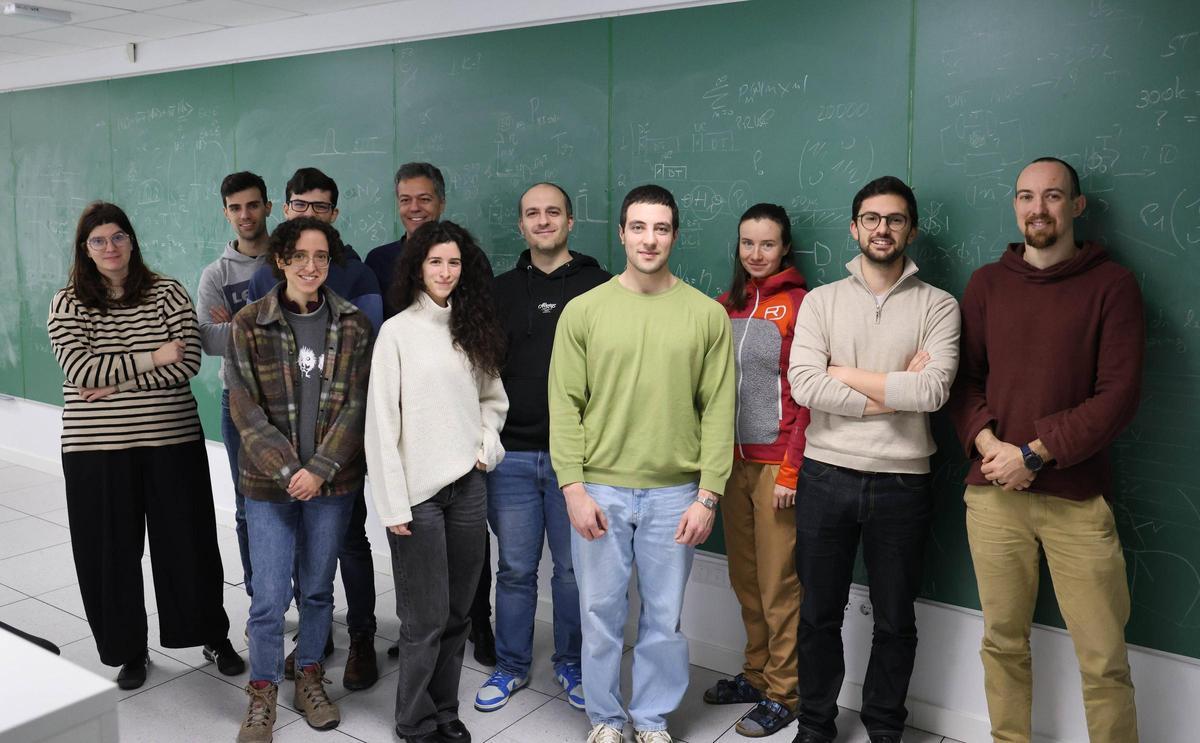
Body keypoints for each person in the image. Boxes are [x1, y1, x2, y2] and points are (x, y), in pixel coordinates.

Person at [948, 157, 1143, 743]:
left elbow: (1118, 396)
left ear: (1076, 207)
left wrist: (1032, 453)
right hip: (994, 497)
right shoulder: (986, 283)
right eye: (1027, 197)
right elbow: (964, 383)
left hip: (1078, 502)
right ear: (1014, 206)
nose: (1039, 208)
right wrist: (991, 447)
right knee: (1002, 643)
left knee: (1103, 658)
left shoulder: (1113, 285)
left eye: (1053, 196)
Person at [549, 184, 735, 743]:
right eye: (638, 227)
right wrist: (573, 488)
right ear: (622, 233)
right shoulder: (584, 311)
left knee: (663, 618)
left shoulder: (706, 315)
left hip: (676, 493)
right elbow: (565, 404)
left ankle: (651, 719)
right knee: (599, 614)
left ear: (674, 235)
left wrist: (709, 495)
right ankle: (605, 718)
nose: (649, 239)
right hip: (600, 489)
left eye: (660, 228)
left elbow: (719, 410)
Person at [787, 176, 960, 743]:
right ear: (854, 227)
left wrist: (847, 375)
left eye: (894, 219)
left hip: (903, 483)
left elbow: (932, 393)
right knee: (817, 613)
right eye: (871, 218)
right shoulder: (821, 301)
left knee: (895, 619)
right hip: (825, 476)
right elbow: (806, 384)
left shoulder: (940, 305)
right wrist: (892, 392)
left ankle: (885, 725)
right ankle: (816, 722)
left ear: (911, 228)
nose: (882, 229)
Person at [47, 201, 243, 691]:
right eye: (98, 240)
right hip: (96, 451)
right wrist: (153, 354)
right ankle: (128, 649)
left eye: (118, 237)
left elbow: (188, 364)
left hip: (171, 440)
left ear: (132, 241)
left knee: (190, 545)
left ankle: (209, 635)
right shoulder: (67, 303)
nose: (110, 247)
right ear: (85, 249)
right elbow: (81, 372)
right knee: (109, 554)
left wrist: (112, 385)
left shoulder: (167, 292)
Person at [226, 217, 372, 742]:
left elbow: (357, 407)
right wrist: (293, 472)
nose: (313, 267)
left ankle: (308, 674)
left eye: (323, 257)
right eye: (301, 256)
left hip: (332, 486)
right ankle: (262, 690)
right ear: (281, 260)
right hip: (269, 485)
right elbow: (244, 409)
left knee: (316, 589)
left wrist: (320, 470)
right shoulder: (248, 323)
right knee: (267, 596)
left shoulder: (353, 324)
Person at [364, 220, 508, 743]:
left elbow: (493, 400)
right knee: (423, 619)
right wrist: (392, 505)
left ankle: (444, 710)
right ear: (417, 268)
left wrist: (485, 447)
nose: (445, 272)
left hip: (468, 487)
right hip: (418, 496)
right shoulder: (397, 332)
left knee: (457, 613)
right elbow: (380, 425)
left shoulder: (473, 328)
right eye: (435, 262)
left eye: (453, 263)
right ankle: (413, 720)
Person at [474, 182, 609, 713]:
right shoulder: (498, 291)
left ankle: (571, 664)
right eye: (533, 213)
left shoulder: (603, 287)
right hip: (511, 457)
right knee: (514, 569)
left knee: (575, 572)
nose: (544, 220)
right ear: (521, 225)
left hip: (577, 459)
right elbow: (480, 373)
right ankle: (511, 666)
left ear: (571, 222)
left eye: (553, 212)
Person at [246, 166, 382, 689]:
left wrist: (321, 464)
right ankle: (309, 647)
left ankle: (359, 639)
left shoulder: (357, 283)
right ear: (286, 212)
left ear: (334, 215)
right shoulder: (260, 288)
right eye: (300, 205)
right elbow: (248, 389)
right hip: (276, 459)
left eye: (320, 207)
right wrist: (283, 465)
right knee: (277, 572)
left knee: (344, 546)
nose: (309, 215)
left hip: (336, 456)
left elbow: (359, 373)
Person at [705, 203, 809, 738]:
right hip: (730, 466)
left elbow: (808, 396)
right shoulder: (727, 305)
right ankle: (755, 673)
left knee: (778, 584)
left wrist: (791, 470)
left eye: (767, 244)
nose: (756, 254)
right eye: (748, 243)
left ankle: (785, 691)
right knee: (745, 579)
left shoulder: (801, 305)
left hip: (776, 469)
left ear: (785, 247)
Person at [197, 170, 273, 600]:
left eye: (252, 205)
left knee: (297, 505)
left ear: (267, 205)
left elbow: (306, 328)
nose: (245, 215)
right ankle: (261, 597)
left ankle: (305, 600)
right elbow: (208, 338)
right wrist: (265, 326)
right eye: (235, 208)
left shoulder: (291, 258)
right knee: (247, 508)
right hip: (239, 401)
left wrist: (239, 323)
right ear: (226, 213)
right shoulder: (216, 274)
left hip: (293, 400)